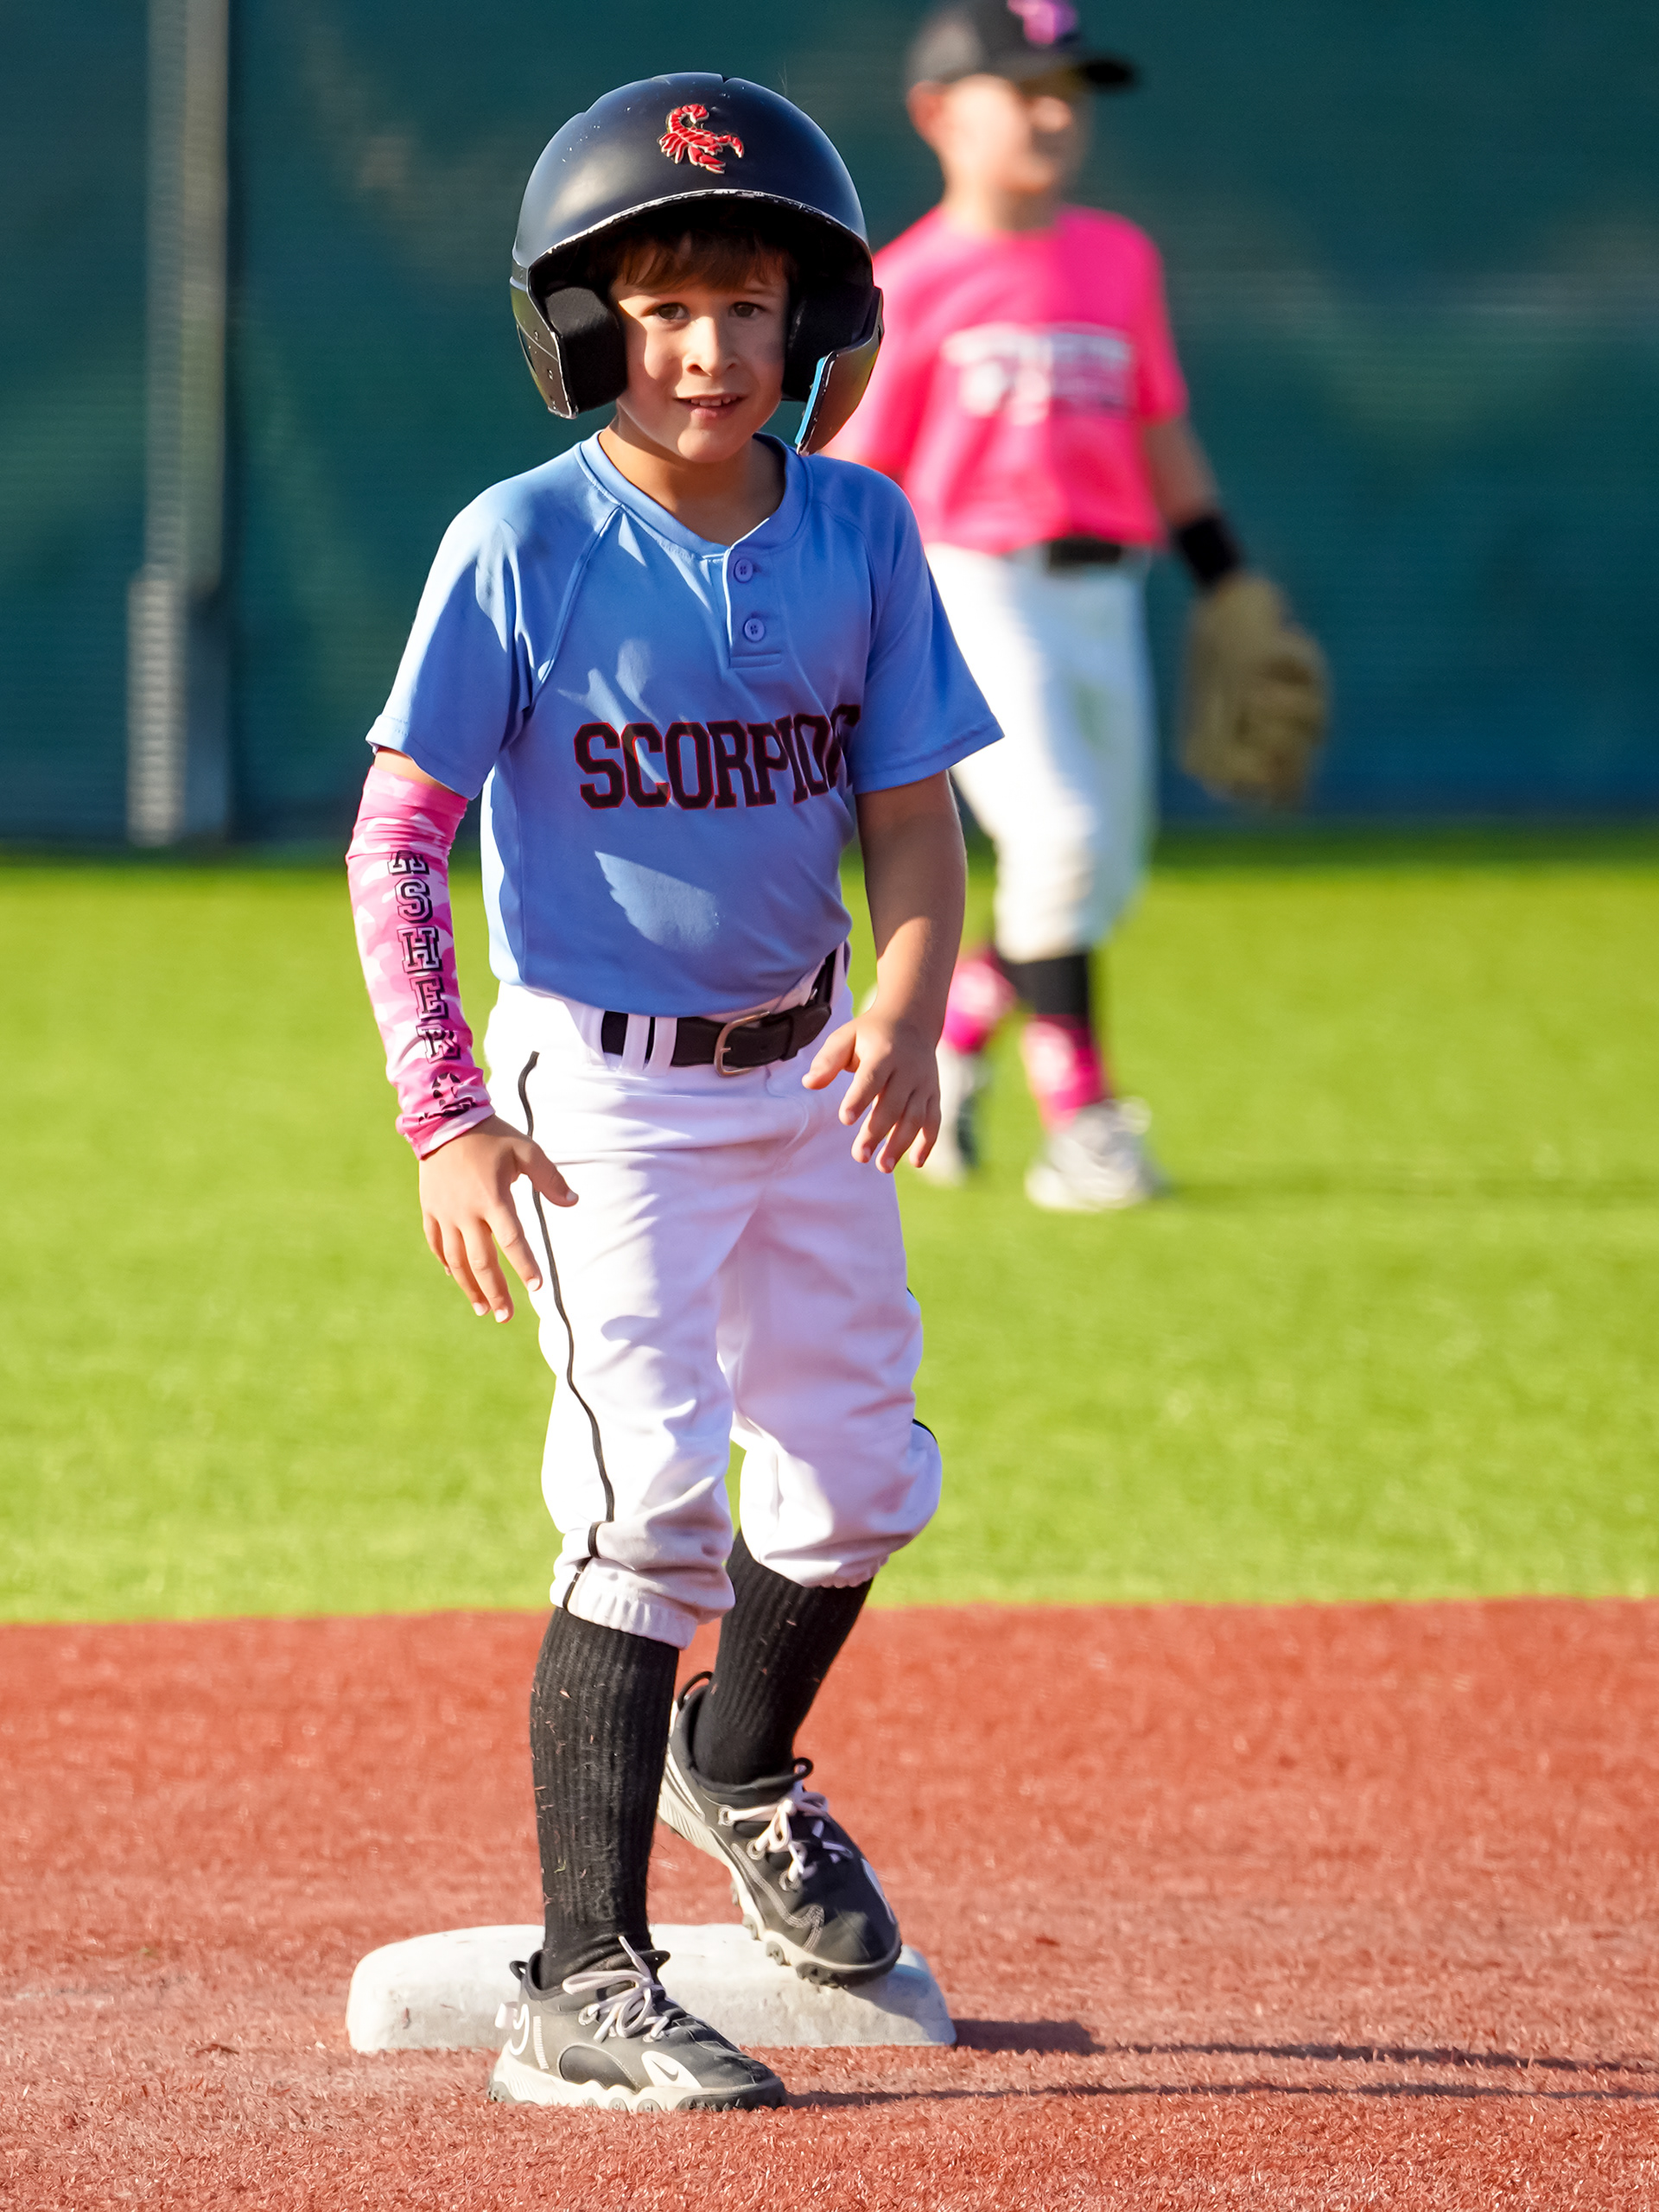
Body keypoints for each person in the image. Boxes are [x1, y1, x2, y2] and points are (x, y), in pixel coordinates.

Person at [345, 75, 996, 2113]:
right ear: (581, 328)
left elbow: (912, 814)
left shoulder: (861, 529)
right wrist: (448, 1112)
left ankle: (741, 1762)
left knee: (862, 1475)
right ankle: (585, 1973)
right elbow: (401, 837)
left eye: (749, 303)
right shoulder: (523, 541)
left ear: (818, 325)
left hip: (809, 1068)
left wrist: (910, 1003)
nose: (709, 348)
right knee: (648, 1508)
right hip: (600, 1103)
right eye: (662, 307)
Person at [829, 0, 1325, 1211]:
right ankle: (1081, 1123)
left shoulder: (1118, 259)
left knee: (1100, 878)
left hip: (1109, 590)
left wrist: (1228, 578)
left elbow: (1160, 430)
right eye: (1024, 90)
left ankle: (951, 1042)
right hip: (969, 584)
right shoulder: (907, 280)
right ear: (938, 113)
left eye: (1071, 92)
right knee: (1060, 841)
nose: (1055, 114)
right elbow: (857, 474)